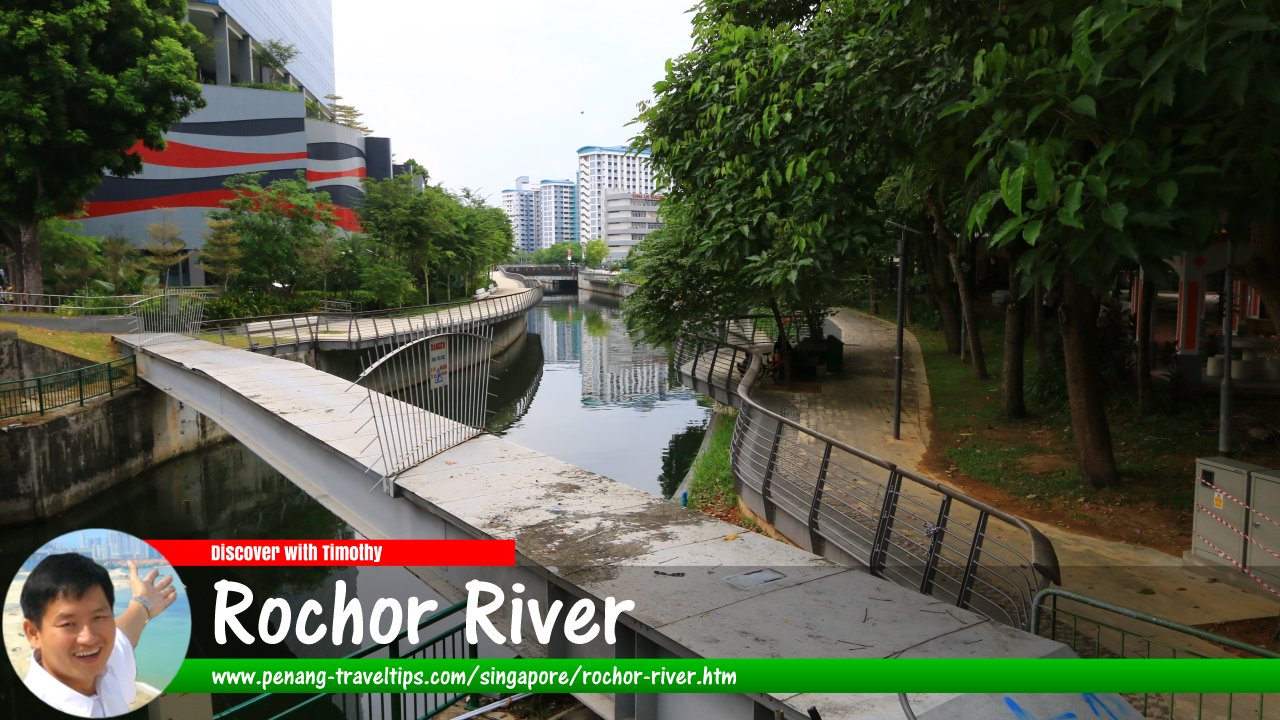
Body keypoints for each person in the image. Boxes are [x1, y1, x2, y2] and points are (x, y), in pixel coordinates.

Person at [20, 553, 178, 718]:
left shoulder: (103, 667)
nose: (88, 638)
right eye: (68, 624)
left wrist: (143, 603)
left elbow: (123, 636)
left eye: (98, 617)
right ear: (33, 633)